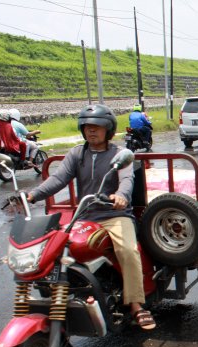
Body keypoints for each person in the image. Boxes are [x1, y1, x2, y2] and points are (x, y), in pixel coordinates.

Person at [26, 104, 156, 330]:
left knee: (127, 249)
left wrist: (121, 196)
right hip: (85, 216)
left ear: (109, 129)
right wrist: (34, 195)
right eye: (87, 127)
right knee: (56, 248)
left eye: (97, 127)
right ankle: (60, 297)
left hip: (115, 214)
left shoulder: (119, 154)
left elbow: (127, 179)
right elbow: (58, 178)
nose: (91, 131)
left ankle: (137, 305)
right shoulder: (77, 153)